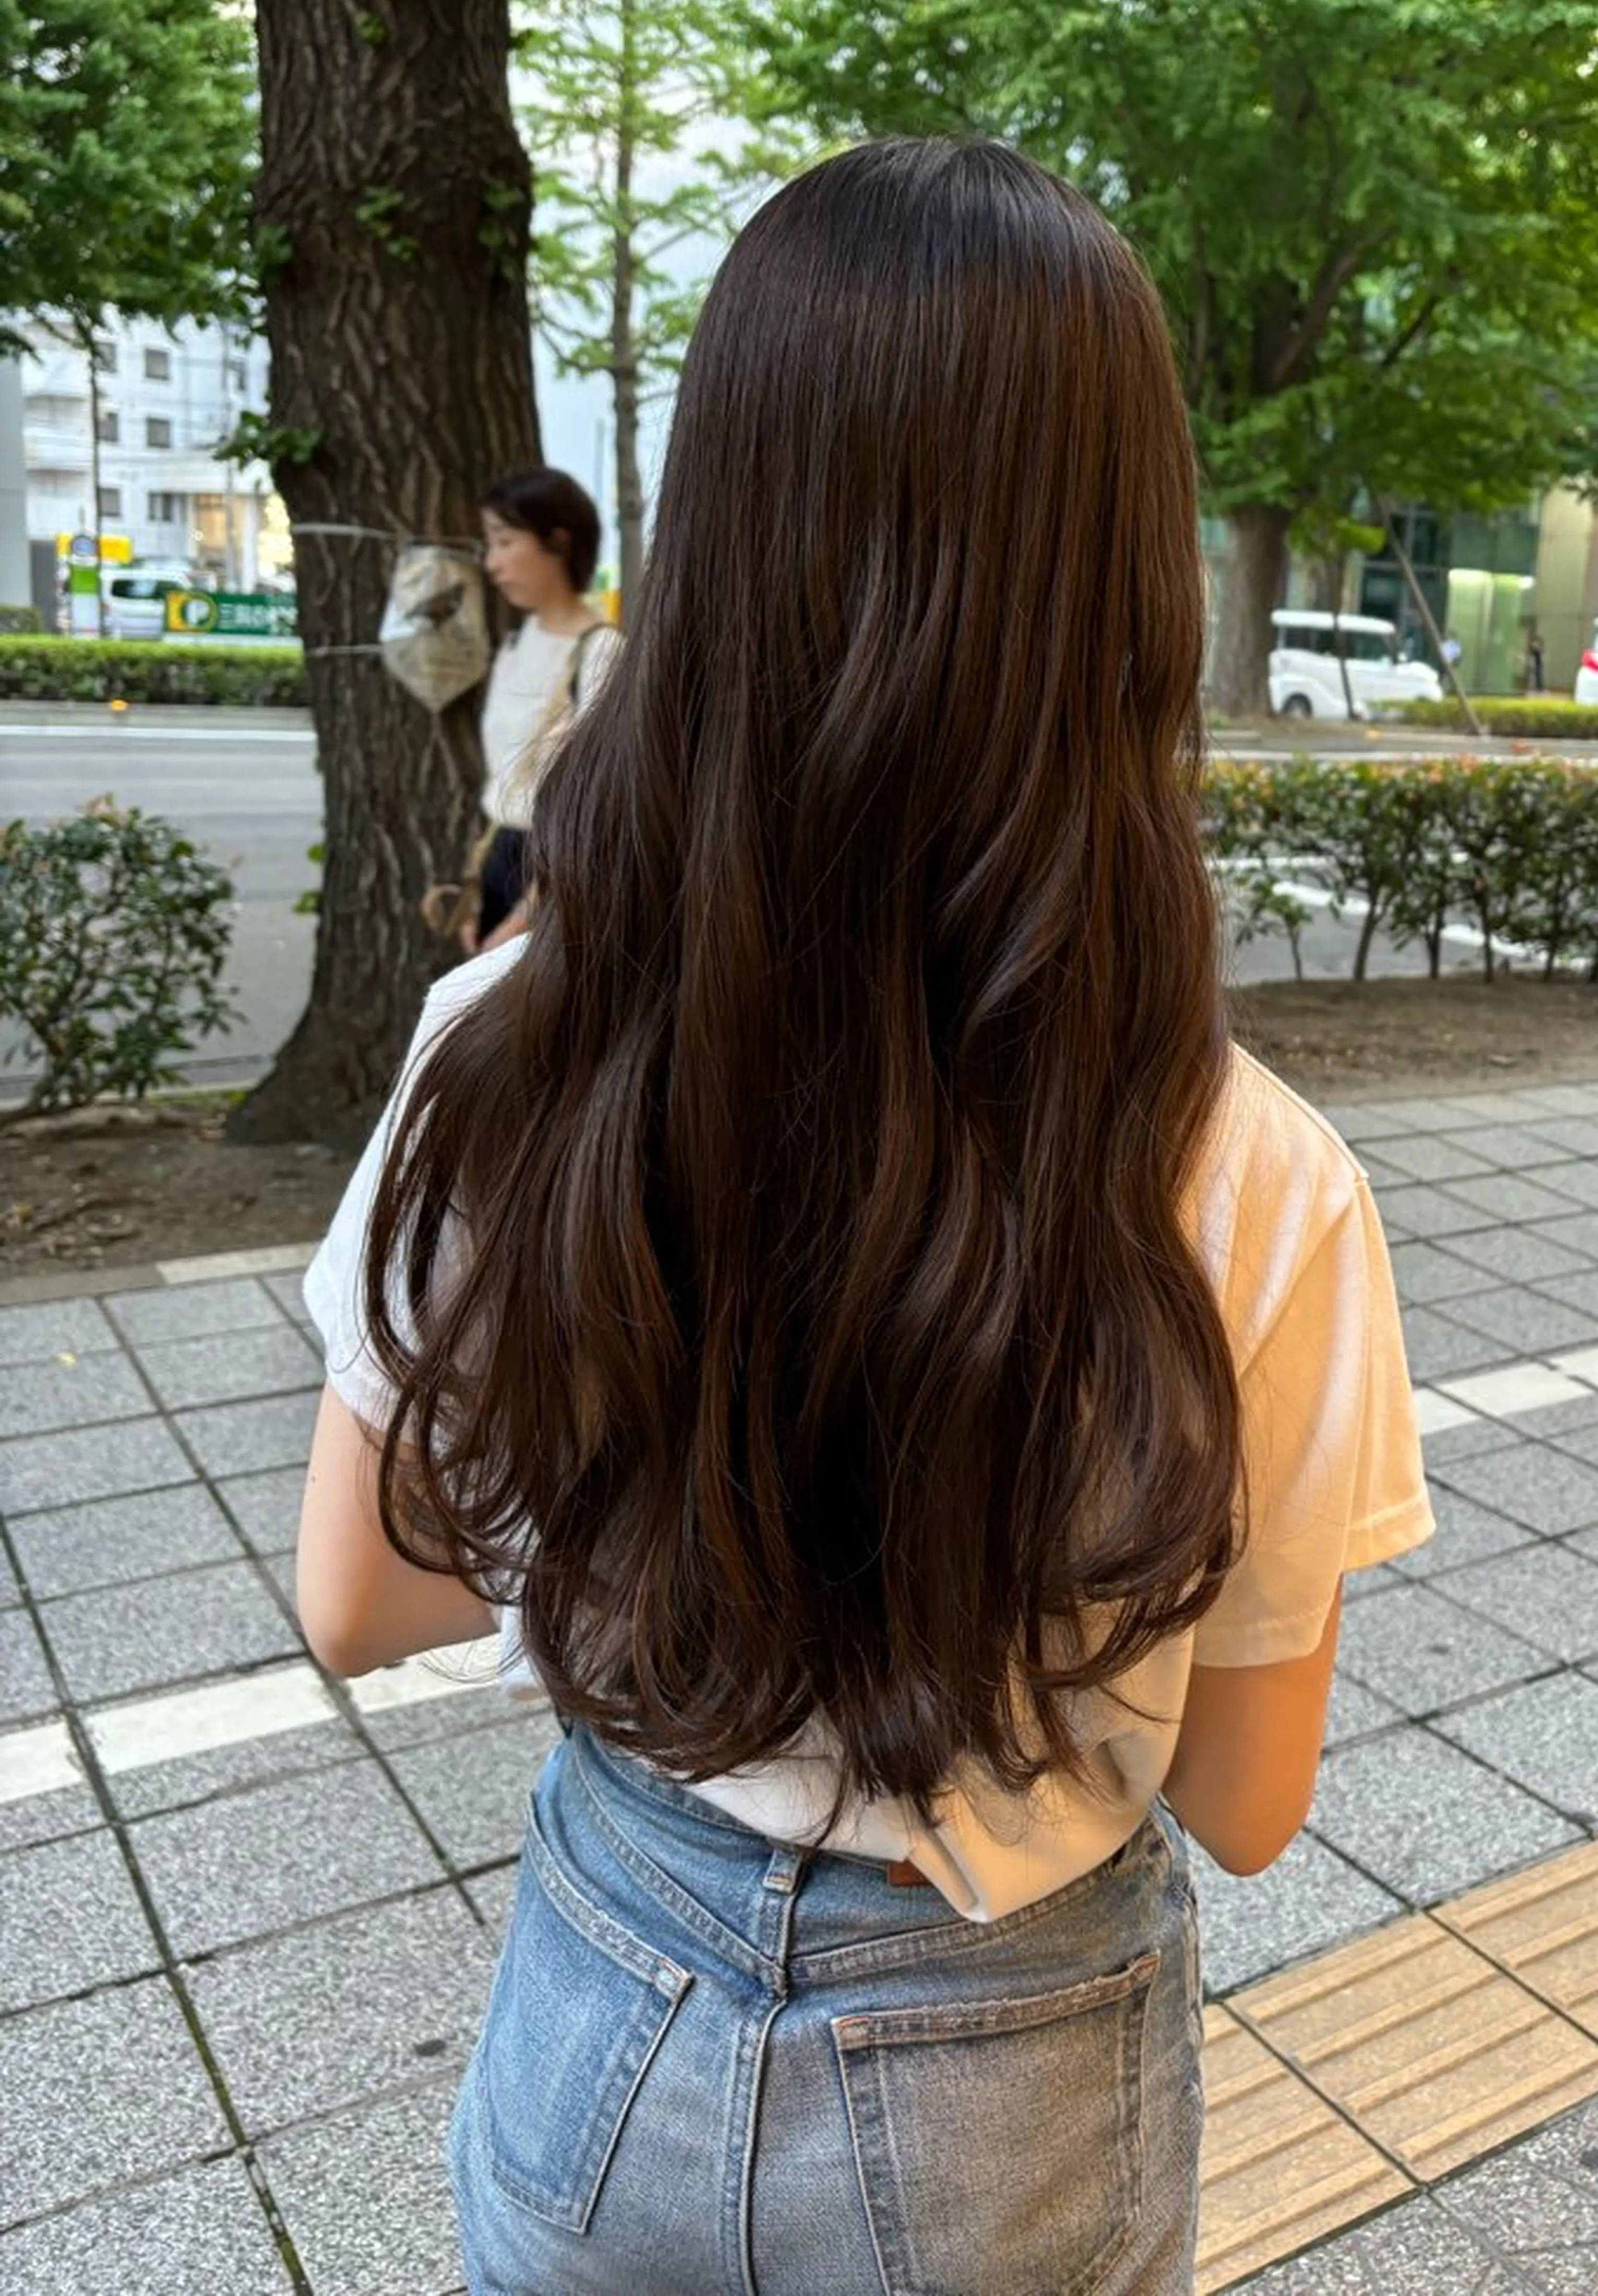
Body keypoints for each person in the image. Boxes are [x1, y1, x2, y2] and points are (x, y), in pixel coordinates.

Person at [297, 137, 1430, 2296]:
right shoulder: (1257, 1168)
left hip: (607, 1995)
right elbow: (1249, 1800)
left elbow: (358, 1596)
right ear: (1127, 588)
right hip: (1014, 2070)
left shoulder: (505, 1046)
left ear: (720, 530)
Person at [463, 466, 621, 953]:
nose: (492, 563)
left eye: (505, 542)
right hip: (499, 859)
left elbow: (600, 807)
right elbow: (501, 780)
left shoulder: (600, 652)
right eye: (490, 544)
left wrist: (523, 918)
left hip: (555, 879)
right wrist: (475, 892)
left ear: (557, 541)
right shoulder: (516, 644)